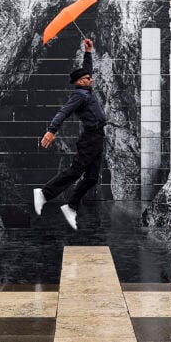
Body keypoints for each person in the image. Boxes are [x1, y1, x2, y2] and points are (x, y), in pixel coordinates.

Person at [33, 37, 106, 230]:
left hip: (98, 138)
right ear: (80, 82)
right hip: (90, 138)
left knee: (91, 178)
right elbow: (63, 112)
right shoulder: (79, 95)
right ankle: (44, 194)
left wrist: (88, 52)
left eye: (89, 77)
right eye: (87, 78)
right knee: (76, 171)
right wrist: (51, 130)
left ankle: (71, 207)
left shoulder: (87, 89)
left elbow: (87, 69)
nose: (91, 79)